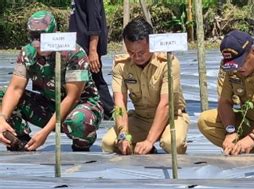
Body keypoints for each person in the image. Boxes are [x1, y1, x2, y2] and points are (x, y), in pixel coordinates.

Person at [0, 10, 103, 152]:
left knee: (77, 121)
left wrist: (45, 132)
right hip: (49, 105)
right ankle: (20, 141)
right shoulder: (27, 53)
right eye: (33, 37)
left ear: (54, 34)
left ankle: (82, 141)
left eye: (42, 37)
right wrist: (2, 118)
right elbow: (15, 89)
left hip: (79, 107)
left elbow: (72, 97)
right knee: (2, 95)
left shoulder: (74, 54)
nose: (37, 43)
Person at [101, 17, 189, 155]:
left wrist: (149, 140)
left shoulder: (168, 63)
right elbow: (119, 105)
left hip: (171, 118)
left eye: (141, 52)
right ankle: (142, 145)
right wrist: (123, 135)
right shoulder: (121, 66)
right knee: (109, 143)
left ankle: (150, 142)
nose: (136, 57)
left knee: (173, 144)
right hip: (141, 119)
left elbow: (165, 105)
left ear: (151, 44)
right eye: (131, 52)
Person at [69, 0, 114, 120]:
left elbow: (95, 20)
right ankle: (103, 110)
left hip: (88, 46)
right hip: (79, 45)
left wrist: (93, 50)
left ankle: (111, 111)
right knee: (88, 80)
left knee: (95, 78)